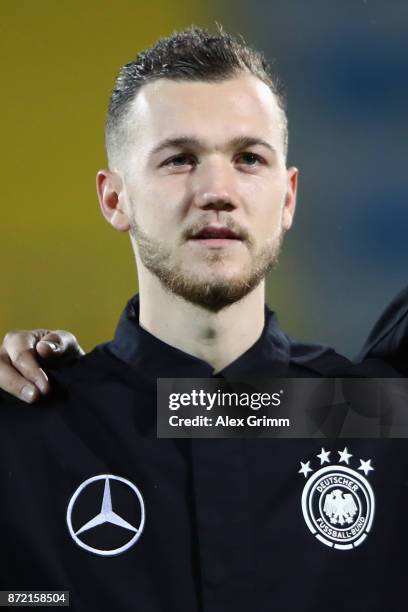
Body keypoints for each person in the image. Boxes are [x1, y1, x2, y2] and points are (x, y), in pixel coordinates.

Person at [0, 26, 406, 612]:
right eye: (179, 160)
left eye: (248, 158)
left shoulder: (380, 418)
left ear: (287, 197)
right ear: (115, 198)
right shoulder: (23, 435)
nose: (217, 190)